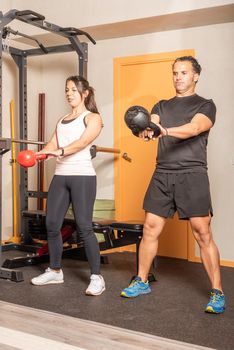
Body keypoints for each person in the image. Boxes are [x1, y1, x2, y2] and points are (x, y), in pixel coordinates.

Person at [121, 56, 225, 313]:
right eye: (175, 73)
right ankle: (142, 280)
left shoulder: (206, 105)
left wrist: (164, 131)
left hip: (192, 174)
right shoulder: (162, 105)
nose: (178, 77)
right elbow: (153, 121)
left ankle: (217, 291)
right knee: (150, 229)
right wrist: (145, 129)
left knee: (203, 233)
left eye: (184, 72)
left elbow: (193, 128)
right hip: (163, 173)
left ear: (196, 76)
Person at [31, 75, 105, 296]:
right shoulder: (62, 119)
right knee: (52, 224)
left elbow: (82, 142)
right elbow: (53, 143)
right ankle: (55, 270)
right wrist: (41, 154)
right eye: (67, 90)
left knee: (84, 226)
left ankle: (96, 277)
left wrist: (59, 152)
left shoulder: (93, 118)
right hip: (61, 176)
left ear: (85, 93)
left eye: (73, 90)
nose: (69, 93)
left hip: (82, 176)